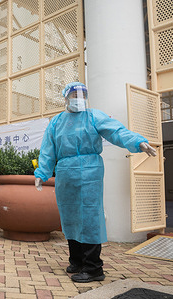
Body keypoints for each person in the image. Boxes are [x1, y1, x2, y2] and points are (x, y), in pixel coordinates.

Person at [34, 82, 157, 283]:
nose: (78, 98)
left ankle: (93, 268)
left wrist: (137, 142)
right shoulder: (56, 122)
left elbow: (116, 131)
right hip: (65, 172)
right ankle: (77, 261)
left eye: (82, 95)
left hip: (90, 170)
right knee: (69, 215)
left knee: (89, 215)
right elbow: (48, 149)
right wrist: (42, 173)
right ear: (65, 98)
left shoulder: (93, 116)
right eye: (74, 95)